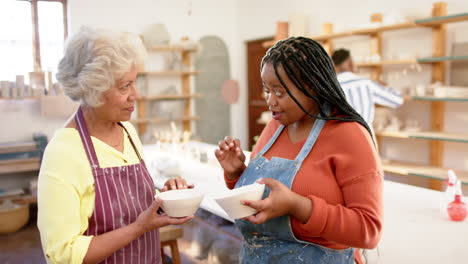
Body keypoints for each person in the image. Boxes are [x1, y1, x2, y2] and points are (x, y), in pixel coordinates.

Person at [215, 37, 383, 264]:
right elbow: (261, 196)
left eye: (279, 92)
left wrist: (298, 206)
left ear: (312, 85)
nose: (270, 101)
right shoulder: (275, 127)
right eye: (266, 90)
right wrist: (237, 173)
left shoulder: (348, 134)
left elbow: (369, 230)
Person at [37, 27, 193, 264]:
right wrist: (139, 228)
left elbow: (131, 205)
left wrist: (163, 200)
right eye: (124, 86)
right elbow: (63, 255)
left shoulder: (127, 131)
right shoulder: (64, 153)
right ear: (93, 90)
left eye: (135, 82)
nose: (136, 95)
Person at [332, 48, 403, 125]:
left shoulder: (329, 86)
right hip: (363, 134)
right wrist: (386, 86)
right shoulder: (366, 83)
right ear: (350, 63)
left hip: (336, 134)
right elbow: (397, 100)